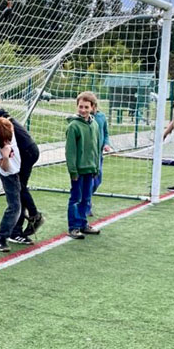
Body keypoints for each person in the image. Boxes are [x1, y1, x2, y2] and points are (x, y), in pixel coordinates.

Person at [0, 97, 43, 242]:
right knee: (19, 191)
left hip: (27, 153)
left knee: (19, 190)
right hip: (25, 153)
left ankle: (33, 217)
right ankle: (17, 230)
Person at [65, 92, 101, 239]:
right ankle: (73, 227)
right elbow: (70, 151)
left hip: (90, 169)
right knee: (76, 198)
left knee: (86, 198)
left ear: (93, 108)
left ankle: (83, 224)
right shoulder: (73, 126)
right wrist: (73, 171)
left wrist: (96, 167)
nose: (83, 110)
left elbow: (96, 147)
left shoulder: (95, 124)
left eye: (86, 107)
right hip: (78, 170)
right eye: (81, 107)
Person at [0, 117, 22, 253]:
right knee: (14, 207)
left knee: (19, 204)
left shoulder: (9, 130)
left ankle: (15, 232)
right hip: (9, 175)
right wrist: (6, 156)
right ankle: (0, 238)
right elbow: (5, 168)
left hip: (18, 171)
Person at [89, 98, 114, 215]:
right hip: (88, 155)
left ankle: (86, 198)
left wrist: (106, 144)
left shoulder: (101, 117)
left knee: (98, 180)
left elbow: (106, 133)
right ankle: (86, 203)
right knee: (90, 181)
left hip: (99, 154)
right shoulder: (83, 119)